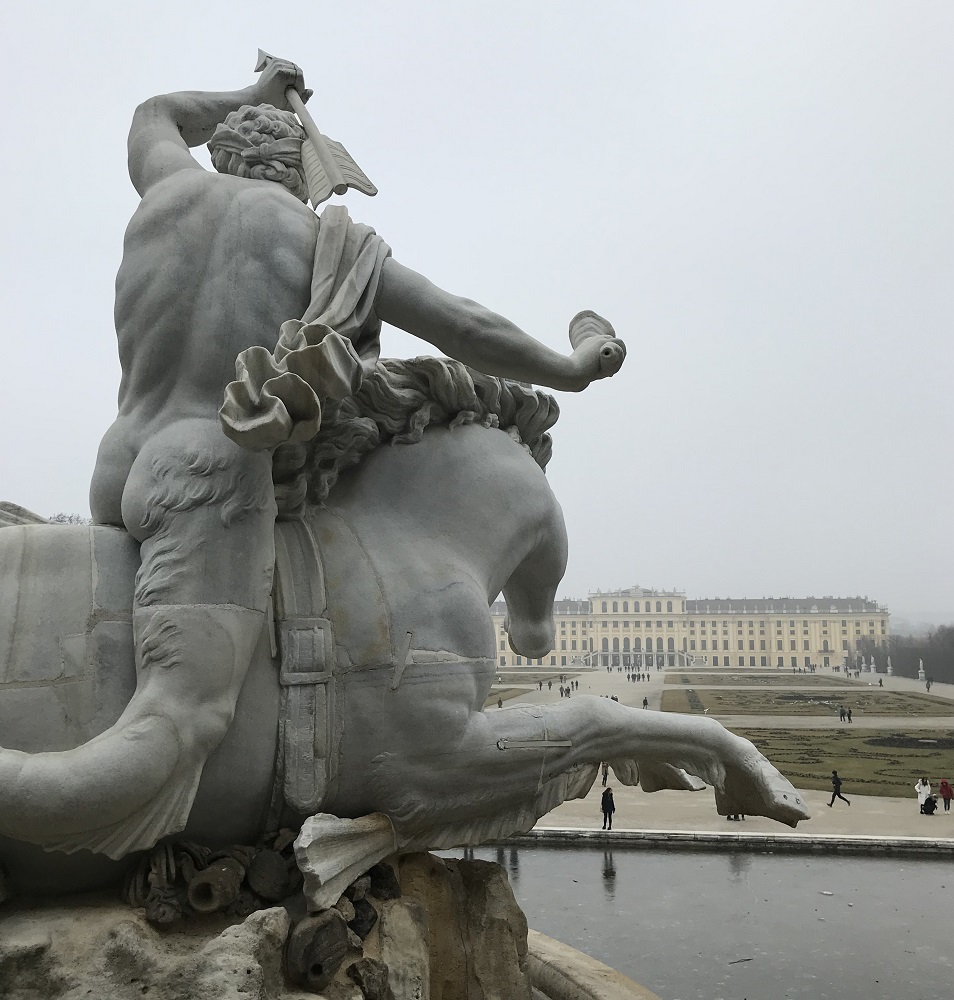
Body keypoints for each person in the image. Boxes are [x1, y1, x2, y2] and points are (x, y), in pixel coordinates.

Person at [8, 58, 625, 855]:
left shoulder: (165, 189)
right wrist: (568, 370)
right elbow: (465, 329)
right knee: (177, 724)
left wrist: (250, 94)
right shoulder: (318, 239)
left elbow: (155, 111)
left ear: (224, 151)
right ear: (303, 173)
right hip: (206, 473)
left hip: (119, 463)